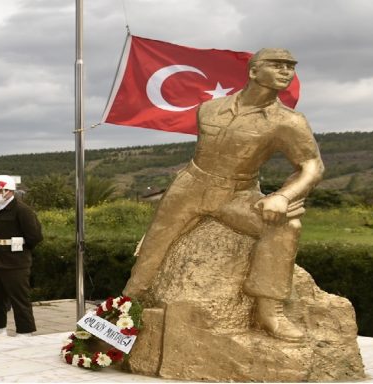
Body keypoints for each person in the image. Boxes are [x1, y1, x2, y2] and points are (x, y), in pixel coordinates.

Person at [122, 48, 324, 342]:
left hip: (237, 193)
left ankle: (270, 311)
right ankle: (126, 304)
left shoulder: (288, 121)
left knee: (286, 226)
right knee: (155, 240)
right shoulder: (209, 108)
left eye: (290, 67)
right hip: (190, 185)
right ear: (253, 71)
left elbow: (312, 166)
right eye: (277, 65)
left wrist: (283, 196)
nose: (286, 71)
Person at [0, 175, 44, 337]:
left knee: (19, 299)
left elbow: (35, 236)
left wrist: (19, 249)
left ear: (8, 191)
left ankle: (25, 331)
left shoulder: (22, 210)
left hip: (15, 263)